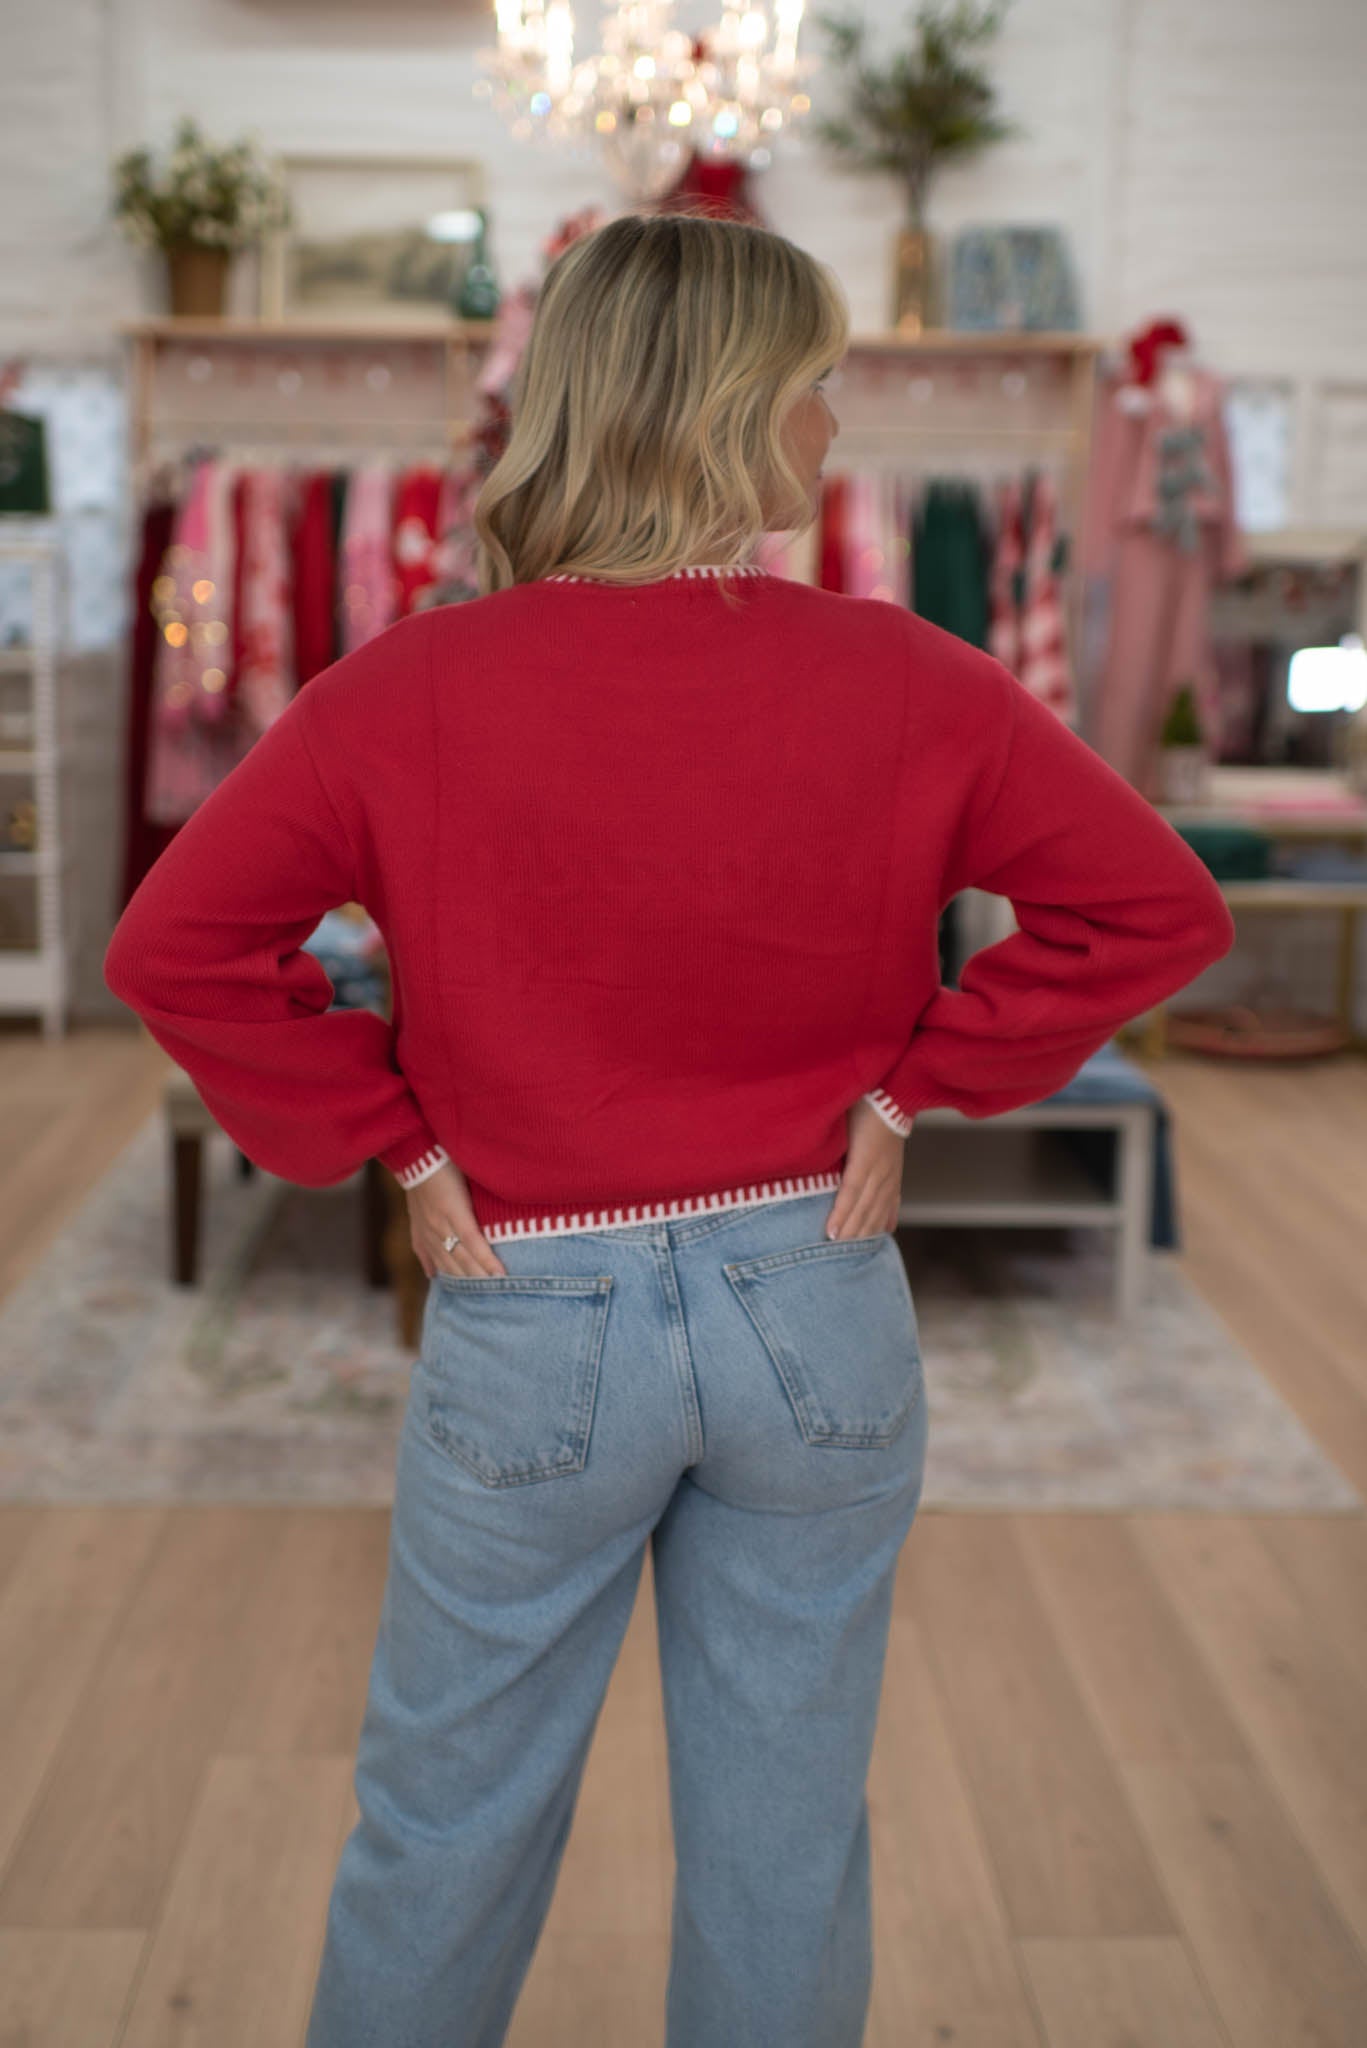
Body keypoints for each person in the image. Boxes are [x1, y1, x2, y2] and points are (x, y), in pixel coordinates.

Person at [104, 211, 1236, 2047]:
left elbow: (177, 950)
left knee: (444, 1833)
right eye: (815, 388)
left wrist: (399, 1142)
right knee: (786, 1850)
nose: (835, 431)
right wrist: (915, 1085)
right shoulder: (908, 675)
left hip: (532, 1307)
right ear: (727, 406)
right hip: (816, 1298)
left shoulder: (403, 690)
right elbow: (1156, 910)